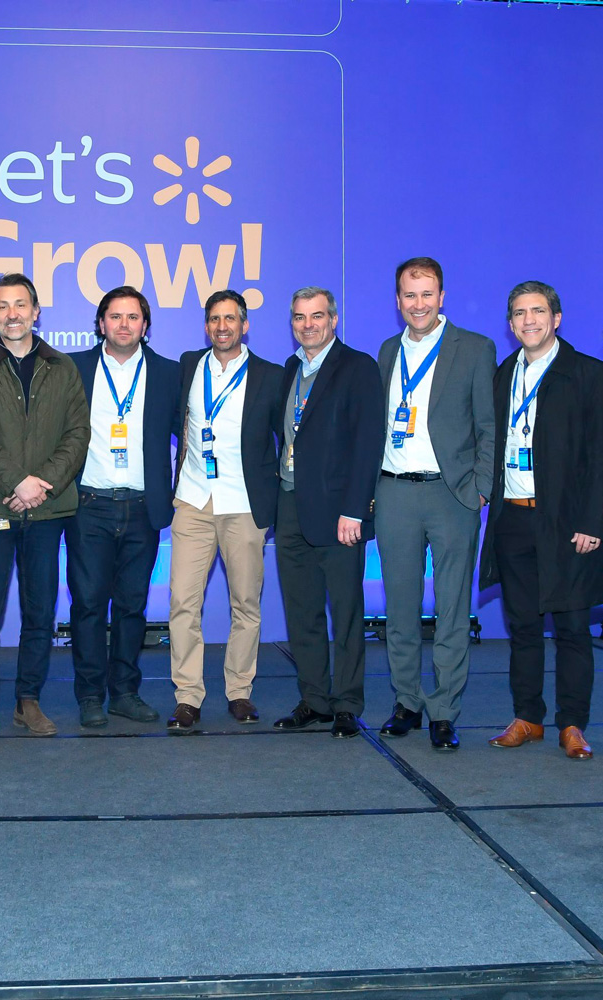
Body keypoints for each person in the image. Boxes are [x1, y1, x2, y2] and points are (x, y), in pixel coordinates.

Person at [478, 282, 603, 760]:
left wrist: (593, 522)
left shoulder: (589, 374)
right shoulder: (503, 375)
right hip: (513, 519)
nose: (529, 321)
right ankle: (528, 717)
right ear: (510, 323)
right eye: (520, 313)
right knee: (522, 627)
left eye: (538, 311)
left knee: (573, 628)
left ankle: (572, 724)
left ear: (556, 318)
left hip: (568, 523)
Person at [0, 272, 90, 742]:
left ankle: (27, 701)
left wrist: (41, 485)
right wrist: (17, 482)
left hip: (47, 509)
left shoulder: (62, 366)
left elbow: (78, 434)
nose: (12, 314)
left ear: (36, 311)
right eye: (2, 306)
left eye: (20, 305)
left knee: (41, 610)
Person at [373, 257, 496, 751]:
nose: (418, 304)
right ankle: (407, 702)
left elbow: (488, 426)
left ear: (441, 297)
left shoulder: (475, 348)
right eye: (410, 294)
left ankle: (444, 710)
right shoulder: (387, 351)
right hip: (394, 493)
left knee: (452, 609)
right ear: (398, 300)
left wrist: (481, 488)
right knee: (400, 610)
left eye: (427, 294)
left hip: (453, 494)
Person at [166, 289, 285, 733]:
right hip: (193, 500)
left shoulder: (270, 375)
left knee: (246, 604)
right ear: (206, 326)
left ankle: (239, 691)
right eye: (215, 319)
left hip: (245, 504)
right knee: (182, 603)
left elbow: (287, 439)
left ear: (244, 324)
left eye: (230, 319)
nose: (222, 327)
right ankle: (187, 697)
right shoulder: (187, 366)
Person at [65, 286, 182, 728]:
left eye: (133, 317)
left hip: (142, 507)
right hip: (89, 505)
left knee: (132, 606)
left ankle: (125, 692)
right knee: (88, 605)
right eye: (115, 316)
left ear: (145, 325)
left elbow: (189, 433)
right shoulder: (73, 369)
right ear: (101, 323)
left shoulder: (168, 373)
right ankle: (90, 695)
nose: (124, 324)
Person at [271, 287, 385, 737]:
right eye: (300, 317)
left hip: (340, 512)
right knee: (302, 612)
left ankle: (347, 703)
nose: (308, 325)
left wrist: (356, 509)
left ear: (333, 320)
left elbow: (368, 443)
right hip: (290, 504)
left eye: (317, 316)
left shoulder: (357, 367)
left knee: (346, 612)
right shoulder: (290, 368)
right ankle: (314, 699)